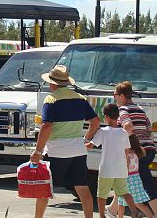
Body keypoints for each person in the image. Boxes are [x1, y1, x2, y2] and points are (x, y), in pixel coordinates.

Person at [30, 65, 100, 218]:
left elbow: (47, 126)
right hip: (78, 150)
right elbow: (95, 121)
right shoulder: (80, 99)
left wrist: (38, 151)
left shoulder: (51, 99)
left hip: (56, 151)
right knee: (83, 188)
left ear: (53, 83)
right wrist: (86, 139)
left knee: (44, 189)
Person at [106, 81, 157, 218]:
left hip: (137, 152)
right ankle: (113, 209)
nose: (114, 98)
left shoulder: (123, 110)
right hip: (149, 149)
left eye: (115, 95)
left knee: (142, 182)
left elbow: (128, 126)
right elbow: (149, 129)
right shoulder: (139, 109)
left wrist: (124, 144)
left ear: (121, 96)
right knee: (126, 178)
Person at [85, 103, 143, 218]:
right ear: (118, 117)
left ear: (106, 117)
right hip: (121, 169)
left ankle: (102, 215)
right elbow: (126, 151)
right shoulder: (124, 133)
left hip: (106, 169)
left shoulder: (103, 131)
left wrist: (79, 143)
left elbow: (90, 145)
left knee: (102, 195)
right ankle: (135, 211)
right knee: (124, 192)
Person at [118, 134, 153, 218]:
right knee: (138, 203)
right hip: (136, 178)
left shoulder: (126, 155)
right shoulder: (135, 154)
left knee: (121, 202)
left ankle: (120, 217)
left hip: (127, 180)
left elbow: (125, 168)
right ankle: (150, 216)